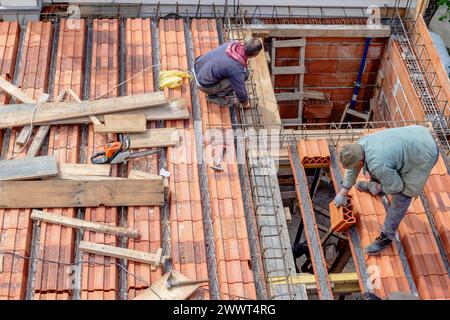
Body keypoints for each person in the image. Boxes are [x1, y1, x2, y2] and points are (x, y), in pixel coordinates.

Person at [333, 125, 439, 255]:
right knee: (381, 171)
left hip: (423, 154)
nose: (354, 168)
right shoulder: (360, 145)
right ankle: (378, 187)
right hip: (416, 134)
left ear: (360, 162)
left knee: (402, 196)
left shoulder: (378, 163)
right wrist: (343, 192)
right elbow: (354, 167)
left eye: (356, 165)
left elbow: (398, 186)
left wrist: (378, 187)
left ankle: (386, 237)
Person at [192, 38, 263, 108]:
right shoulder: (237, 68)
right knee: (242, 76)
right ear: (255, 54)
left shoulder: (232, 44)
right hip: (203, 85)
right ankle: (217, 97)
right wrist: (245, 103)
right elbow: (240, 90)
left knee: (237, 73)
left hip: (197, 68)